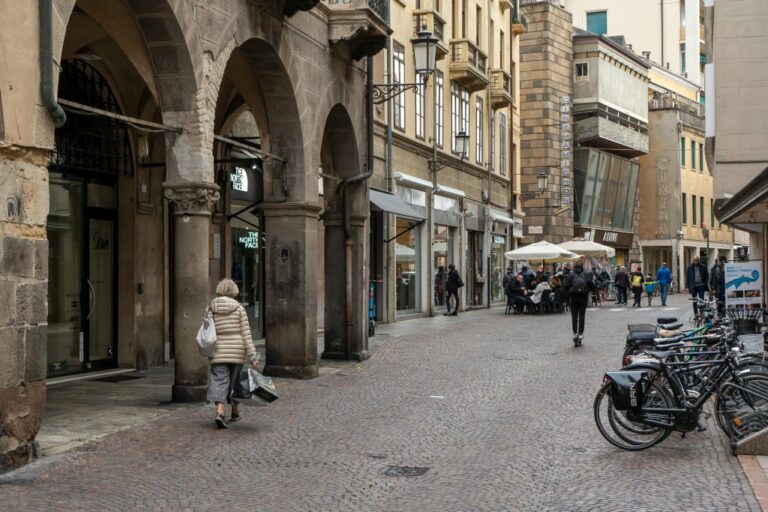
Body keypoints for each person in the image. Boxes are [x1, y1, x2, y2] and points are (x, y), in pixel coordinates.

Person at [207, 278, 259, 429]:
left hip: (218, 350)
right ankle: (235, 411)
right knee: (236, 383)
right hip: (237, 350)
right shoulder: (239, 309)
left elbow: (206, 329)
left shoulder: (211, 307)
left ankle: (220, 410)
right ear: (235, 291)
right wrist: (253, 356)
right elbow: (246, 334)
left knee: (219, 380)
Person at [564, 259, 596, 346]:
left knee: (574, 316)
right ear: (582, 266)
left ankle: (575, 333)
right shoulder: (587, 273)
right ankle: (581, 333)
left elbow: (566, 286)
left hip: (573, 297)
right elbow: (591, 284)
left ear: (574, 266)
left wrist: (568, 293)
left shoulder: (571, 274)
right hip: (583, 297)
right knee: (582, 315)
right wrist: (592, 289)